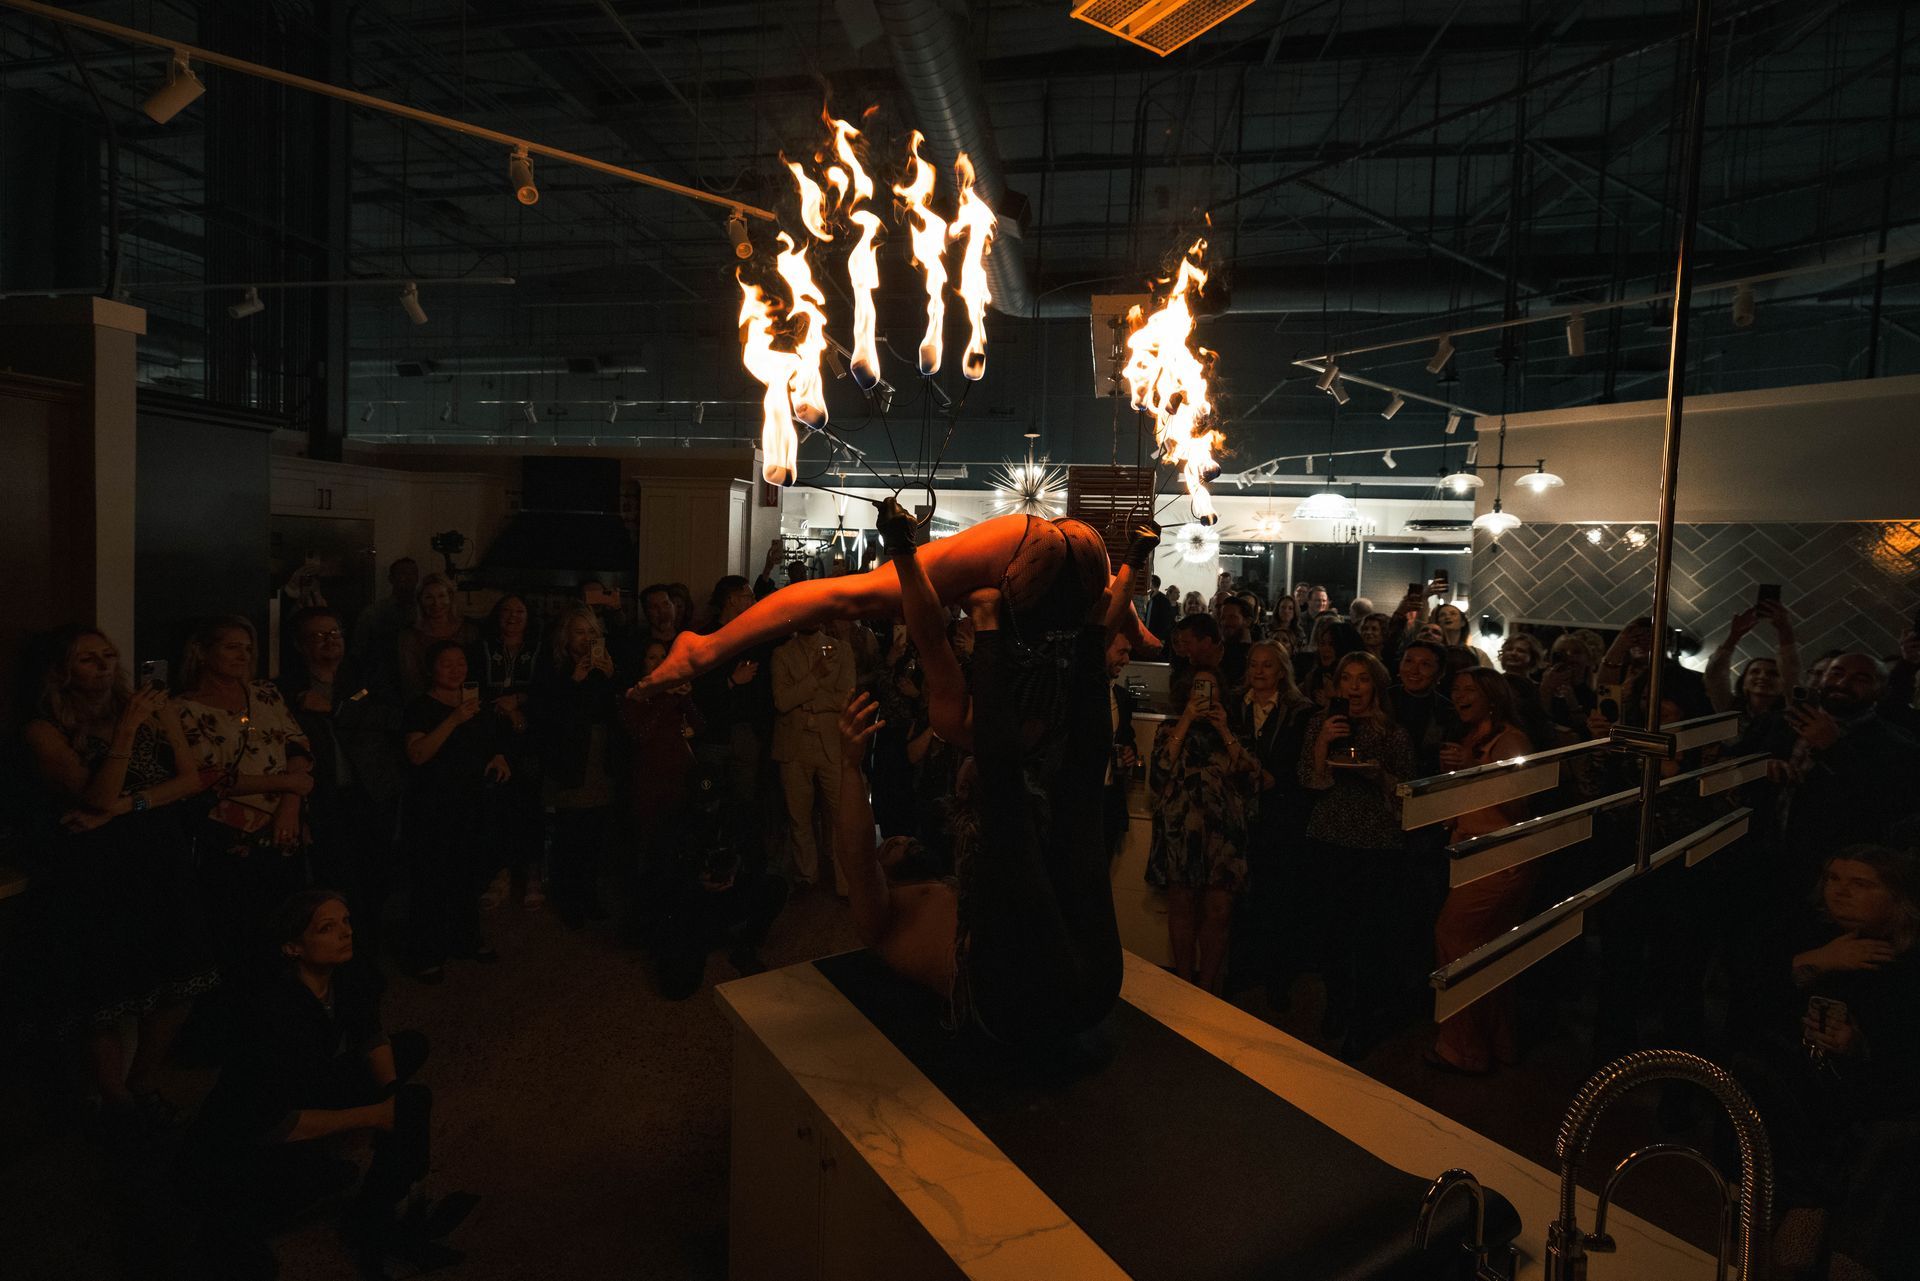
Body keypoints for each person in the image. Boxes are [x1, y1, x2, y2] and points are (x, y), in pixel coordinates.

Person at [831, 499, 1142, 1044]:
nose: (896, 840)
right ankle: (996, 625)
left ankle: (1067, 625)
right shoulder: (884, 916)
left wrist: (904, 552)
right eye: (891, 844)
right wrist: (851, 770)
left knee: (1077, 802)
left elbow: (930, 638)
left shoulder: (954, 886)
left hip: (1081, 981)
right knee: (1034, 800)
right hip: (1014, 999)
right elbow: (856, 854)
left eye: (892, 840)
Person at [628, 510, 1160, 720]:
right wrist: (903, 556)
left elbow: (1098, 631)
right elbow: (925, 629)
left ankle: (704, 648)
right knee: (850, 596)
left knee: (851, 596)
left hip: (1083, 566)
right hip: (1041, 578)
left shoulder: (1059, 709)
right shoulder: (965, 724)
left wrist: (1132, 563)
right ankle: (704, 648)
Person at [188, 891, 465, 1278]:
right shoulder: (274, 1014)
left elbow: (369, 1033)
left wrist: (391, 1093)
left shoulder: (346, 971)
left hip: (302, 1084)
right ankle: (372, 1217)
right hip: (245, 1137)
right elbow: (272, 1122)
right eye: (327, 928)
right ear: (293, 947)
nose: (345, 933)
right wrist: (374, 1116)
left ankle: (383, 1207)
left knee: (408, 1076)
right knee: (240, 1239)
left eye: (346, 922)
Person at [20, 626, 216, 1131]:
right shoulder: (44, 729)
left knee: (181, 979)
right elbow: (97, 796)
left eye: (108, 655)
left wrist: (131, 806)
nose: (104, 665)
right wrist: (126, 731)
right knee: (105, 992)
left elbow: (190, 779)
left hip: (159, 854)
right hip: (95, 866)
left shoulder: (153, 708)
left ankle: (142, 1081)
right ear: (62, 670)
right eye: (88, 659)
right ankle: (117, 1102)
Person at [1729, 846, 1920, 1281]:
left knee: (1886, 1140)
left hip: (1887, 1098)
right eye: (1834, 879)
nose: (1840, 892)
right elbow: (1750, 1009)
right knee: (1757, 1070)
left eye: (1860, 884)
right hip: (1815, 1089)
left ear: (1897, 896)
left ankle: (1834, 1240)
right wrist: (1814, 961)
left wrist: (1860, 1047)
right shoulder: (1809, 932)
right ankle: (1803, 1209)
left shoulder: (1909, 961)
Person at [176, 616, 316, 986]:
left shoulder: (265, 693)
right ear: (203, 652)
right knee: (239, 924)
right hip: (229, 833)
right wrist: (288, 782)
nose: (243, 655)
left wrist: (290, 804)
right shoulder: (184, 709)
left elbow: (297, 744)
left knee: (287, 917)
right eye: (232, 647)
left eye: (248, 648)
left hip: (284, 826)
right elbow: (207, 777)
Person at [1298, 652, 1417, 1059]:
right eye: (1346, 678)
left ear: (1375, 686)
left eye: (1362, 679)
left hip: (1375, 843)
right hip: (1329, 836)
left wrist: (1378, 774)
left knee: (1368, 937)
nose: (1353, 686)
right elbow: (1311, 781)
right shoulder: (1321, 723)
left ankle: (1363, 1019)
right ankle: (1336, 1005)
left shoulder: (1393, 733)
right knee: (1332, 931)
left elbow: (1408, 794)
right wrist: (1323, 742)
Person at [279, 606, 408, 962]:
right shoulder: (289, 687)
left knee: (376, 874)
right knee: (335, 879)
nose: (330, 640)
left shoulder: (365, 672)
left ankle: (368, 948)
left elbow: (393, 716)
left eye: (335, 632)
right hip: (324, 798)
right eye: (319, 635)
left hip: (371, 791)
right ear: (300, 644)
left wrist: (336, 708)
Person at [1427, 668, 1536, 1075]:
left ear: (1492, 696)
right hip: (1473, 853)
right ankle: (1498, 1043)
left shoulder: (1511, 741)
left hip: (1499, 858)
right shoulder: (1471, 737)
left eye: (1469, 689)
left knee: (1452, 938)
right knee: (1487, 951)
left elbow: (1520, 804)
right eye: (1456, 688)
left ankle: (1463, 1049)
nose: (1459, 695)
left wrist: (1473, 767)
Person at [401, 641, 509, 979]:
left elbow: (488, 742)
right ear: (431, 669)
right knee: (432, 878)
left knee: (469, 873)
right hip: (434, 805)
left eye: (460, 662)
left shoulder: (476, 703)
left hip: (472, 801)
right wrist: (454, 719)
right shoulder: (420, 707)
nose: (455, 669)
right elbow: (418, 754)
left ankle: (466, 938)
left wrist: (498, 756)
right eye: (446, 664)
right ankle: (426, 952)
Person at [1147, 666, 1257, 992]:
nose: (1204, 695)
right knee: (1182, 907)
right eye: (1198, 688)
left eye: (1210, 688)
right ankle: (1183, 984)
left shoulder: (1237, 731)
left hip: (1225, 834)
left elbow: (1250, 778)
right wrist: (1186, 719)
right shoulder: (1169, 729)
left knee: (1219, 910)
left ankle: (1207, 986)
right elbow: (1158, 776)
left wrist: (1224, 729)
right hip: (1182, 830)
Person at [1227, 641, 1314, 1005]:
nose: (1259, 671)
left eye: (1267, 665)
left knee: (1278, 894)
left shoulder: (1300, 711)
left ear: (1281, 671)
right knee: (1241, 892)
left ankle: (1278, 976)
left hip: (1280, 813)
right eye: (1253, 664)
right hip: (1240, 810)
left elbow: (1306, 764)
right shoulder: (1234, 706)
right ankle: (1243, 968)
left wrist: (1278, 779)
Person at [532, 605, 620, 929]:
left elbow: (616, 711)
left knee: (596, 829)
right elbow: (547, 714)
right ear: (565, 636)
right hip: (569, 758)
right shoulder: (554, 667)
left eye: (591, 632)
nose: (586, 638)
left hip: (599, 756)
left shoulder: (604, 665)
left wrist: (611, 677)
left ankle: (589, 894)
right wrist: (573, 681)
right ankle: (568, 898)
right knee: (570, 831)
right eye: (579, 632)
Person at [469, 594, 544, 911]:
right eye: (507, 611)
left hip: (530, 737)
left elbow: (548, 690)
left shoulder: (540, 649)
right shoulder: (481, 648)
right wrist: (503, 709)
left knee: (530, 804)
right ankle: (499, 874)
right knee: (495, 806)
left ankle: (533, 873)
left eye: (519, 611)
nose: (513, 616)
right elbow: (472, 687)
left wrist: (520, 702)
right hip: (491, 734)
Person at [773, 621, 857, 892]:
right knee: (798, 815)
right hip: (793, 745)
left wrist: (808, 701)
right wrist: (815, 678)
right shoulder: (782, 654)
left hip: (831, 744)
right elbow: (782, 701)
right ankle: (806, 876)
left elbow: (846, 697)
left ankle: (845, 880)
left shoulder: (841, 650)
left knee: (840, 813)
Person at [395, 574, 477, 701]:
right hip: (425, 703)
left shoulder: (469, 630)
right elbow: (411, 681)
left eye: (441, 596)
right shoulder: (409, 637)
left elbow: (476, 671)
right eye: (429, 597)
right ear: (420, 601)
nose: (436, 603)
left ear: (450, 597)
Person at [352, 558, 420, 693]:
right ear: (391, 578)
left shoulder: (425, 610)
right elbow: (359, 650)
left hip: (419, 679)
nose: (408, 577)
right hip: (383, 681)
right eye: (403, 573)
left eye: (412, 573)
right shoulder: (374, 613)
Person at [1216, 596, 1254, 688]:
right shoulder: (1216, 653)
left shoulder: (1255, 654)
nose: (1225, 622)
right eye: (1223, 617)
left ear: (1247, 621)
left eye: (1232, 617)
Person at [1144, 573, 1177, 646]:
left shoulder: (1164, 601)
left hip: (1157, 638)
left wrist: (1161, 639)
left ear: (1151, 584)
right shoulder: (1148, 599)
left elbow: (1166, 622)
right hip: (1146, 635)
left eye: (1147, 581)